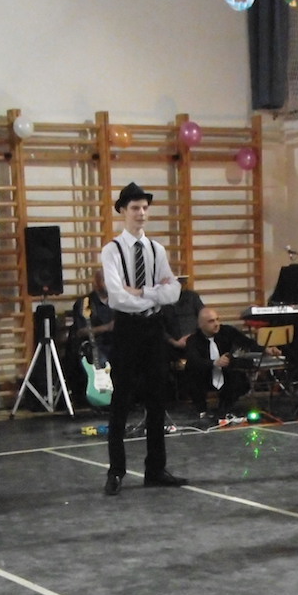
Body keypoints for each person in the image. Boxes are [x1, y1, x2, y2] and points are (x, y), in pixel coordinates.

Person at [100, 182, 187, 495]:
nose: (141, 213)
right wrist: (154, 294)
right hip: (127, 329)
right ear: (123, 211)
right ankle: (116, 470)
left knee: (157, 399)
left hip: (153, 329)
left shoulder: (156, 250)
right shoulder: (112, 250)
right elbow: (117, 297)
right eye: (135, 208)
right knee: (121, 400)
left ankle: (155, 468)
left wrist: (142, 292)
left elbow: (174, 291)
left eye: (144, 208)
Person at [184, 307, 280, 419]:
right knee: (192, 373)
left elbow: (247, 343)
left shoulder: (227, 331)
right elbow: (194, 360)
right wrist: (214, 362)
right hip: (205, 375)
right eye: (211, 321)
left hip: (225, 373)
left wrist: (266, 349)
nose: (216, 324)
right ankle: (201, 409)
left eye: (217, 319)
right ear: (201, 325)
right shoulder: (193, 340)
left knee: (239, 379)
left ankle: (224, 408)